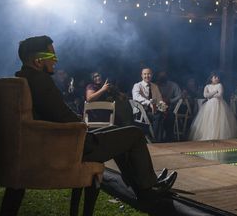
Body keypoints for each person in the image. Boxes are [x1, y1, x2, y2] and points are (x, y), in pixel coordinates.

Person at [15, 36, 176, 198]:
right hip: (72, 146)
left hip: (64, 141)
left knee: (115, 131)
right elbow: (63, 116)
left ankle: (143, 183)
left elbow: (55, 114)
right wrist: (81, 123)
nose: (55, 60)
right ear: (38, 61)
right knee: (135, 134)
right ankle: (147, 186)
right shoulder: (40, 82)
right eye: (52, 56)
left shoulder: (25, 79)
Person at [188, 74, 237, 140]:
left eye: (218, 77)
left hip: (219, 104)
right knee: (209, 120)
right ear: (211, 78)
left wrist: (210, 95)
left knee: (218, 120)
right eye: (215, 77)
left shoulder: (219, 85)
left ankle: (218, 136)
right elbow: (205, 95)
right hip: (209, 105)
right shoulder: (207, 86)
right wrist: (215, 91)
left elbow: (220, 94)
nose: (217, 78)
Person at [132, 68, 166, 142]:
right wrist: (149, 103)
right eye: (145, 74)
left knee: (167, 114)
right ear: (141, 75)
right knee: (158, 116)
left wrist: (163, 108)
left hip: (154, 109)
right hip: (142, 111)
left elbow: (159, 99)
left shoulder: (155, 86)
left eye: (149, 74)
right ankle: (155, 139)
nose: (147, 76)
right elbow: (136, 97)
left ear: (152, 75)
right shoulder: (137, 85)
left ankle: (162, 139)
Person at [156, 70, 183, 142]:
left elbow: (180, 96)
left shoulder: (173, 85)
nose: (162, 77)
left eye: (163, 76)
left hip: (170, 107)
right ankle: (158, 137)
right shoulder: (156, 86)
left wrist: (170, 100)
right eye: (160, 76)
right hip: (158, 107)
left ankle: (168, 137)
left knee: (170, 116)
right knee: (158, 115)